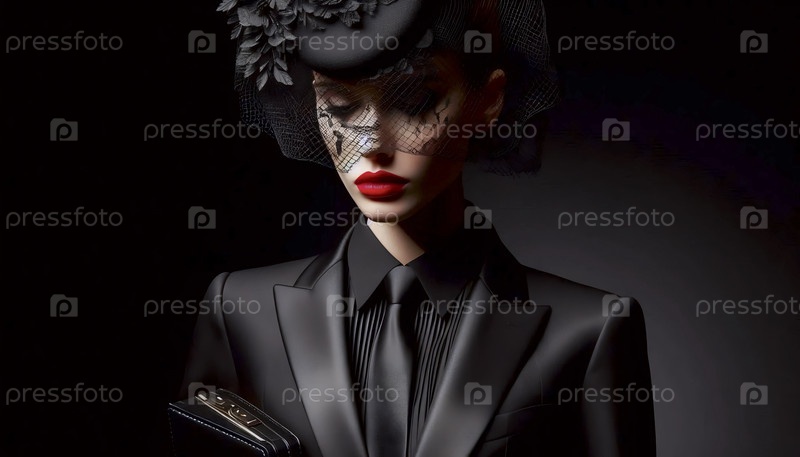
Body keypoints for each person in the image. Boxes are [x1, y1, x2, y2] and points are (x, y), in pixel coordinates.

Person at [179, 0, 657, 456]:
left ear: (489, 100)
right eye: (341, 108)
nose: (372, 143)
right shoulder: (241, 310)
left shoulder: (588, 328)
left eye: (414, 102)